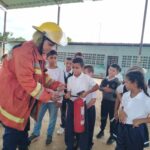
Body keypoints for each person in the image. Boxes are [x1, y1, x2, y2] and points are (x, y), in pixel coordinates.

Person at [0, 22, 66, 150]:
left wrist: (56, 85)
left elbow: (41, 75)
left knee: (23, 134)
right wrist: (50, 96)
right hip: (14, 104)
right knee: (11, 139)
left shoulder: (39, 52)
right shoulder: (24, 53)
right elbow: (29, 83)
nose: (51, 48)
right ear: (41, 39)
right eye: (50, 44)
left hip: (23, 104)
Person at [29, 50, 64, 145]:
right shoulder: (44, 69)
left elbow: (61, 85)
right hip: (42, 98)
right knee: (38, 117)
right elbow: (39, 83)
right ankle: (36, 133)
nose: (53, 60)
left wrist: (60, 100)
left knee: (52, 119)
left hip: (54, 100)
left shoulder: (60, 70)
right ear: (47, 58)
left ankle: (49, 135)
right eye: (51, 57)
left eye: (55, 58)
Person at [65, 57, 99, 150]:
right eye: (73, 67)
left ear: (82, 68)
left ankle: (83, 146)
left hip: (81, 106)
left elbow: (96, 86)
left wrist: (87, 93)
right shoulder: (70, 79)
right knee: (70, 126)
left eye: (77, 68)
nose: (75, 70)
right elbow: (69, 92)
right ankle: (70, 146)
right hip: (72, 105)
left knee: (82, 126)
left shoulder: (86, 78)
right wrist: (67, 95)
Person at [116, 71, 150, 150]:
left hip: (136, 130)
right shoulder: (125, 95)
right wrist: (121, 111)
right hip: (122, 128)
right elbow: (122, 107)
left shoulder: (146, 99)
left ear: (134, 83)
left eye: (126, 82)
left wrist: (141, 120)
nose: (124, 84)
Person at [96, 64, 120, 145]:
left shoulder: (117, 82)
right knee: (103, 117)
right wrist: (104, 89)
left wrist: (111, 91)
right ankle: (102, 130)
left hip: (113, 103)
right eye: (110, 69)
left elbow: (119, 93)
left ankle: (112, 136)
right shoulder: (105, 79)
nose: (111, 72)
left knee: (112, 120)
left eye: (113, 70)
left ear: (117, 72)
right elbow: (100, 87)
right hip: (104, 101)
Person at [57, 57, 73, 135]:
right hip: (62, 95)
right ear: (64, 63)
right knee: (62, 111)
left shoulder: (74, 73)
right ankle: (63, 126)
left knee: (70, 112)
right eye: (67, 63)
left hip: (71, 96)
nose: (68, 65)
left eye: (70, 63)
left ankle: (69, 127)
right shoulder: (61, 72)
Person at [84, 65, 97, 149]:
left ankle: (88, 145)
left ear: (91, 73)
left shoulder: (93, 83)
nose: (83, 75)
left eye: (85, 73)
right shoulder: (82, 82)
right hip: (83, 108)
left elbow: (93, 100)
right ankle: (82, 143)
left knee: (89, 128)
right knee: (83, 127)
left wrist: (85, 108)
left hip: (89, 109)